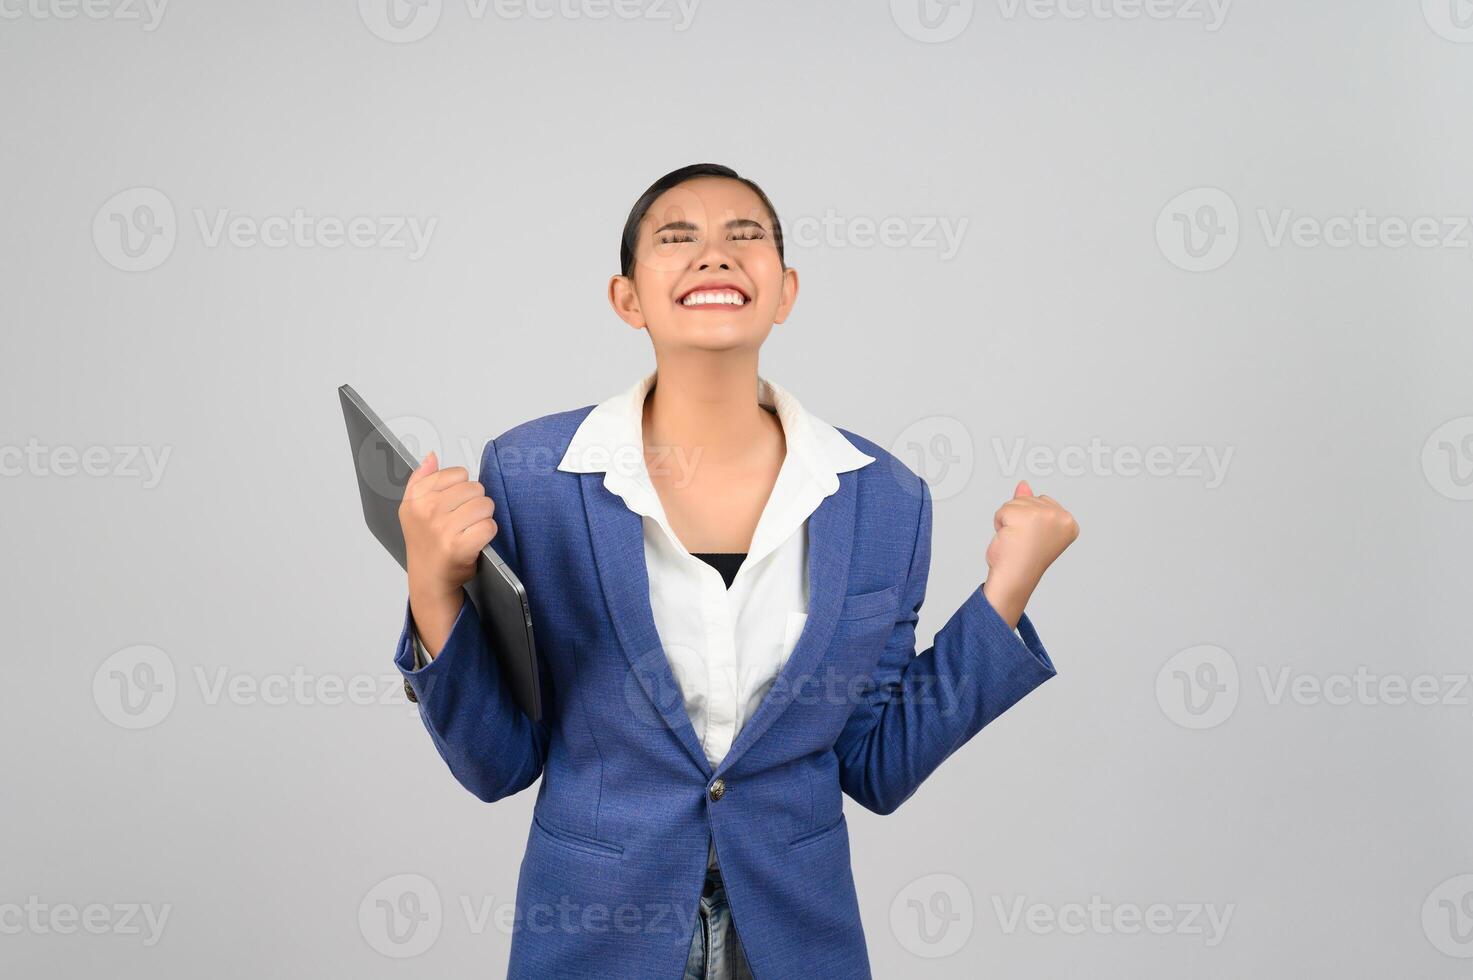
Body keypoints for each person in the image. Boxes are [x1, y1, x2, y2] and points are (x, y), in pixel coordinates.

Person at [394, 163, 1078, 979]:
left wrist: (1006, 592)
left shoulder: (884, 498)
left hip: (794, 933)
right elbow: (498, 762)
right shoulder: (530, 476)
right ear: (627, 299)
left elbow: (877, 764)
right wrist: (433, 585)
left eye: (743, 236)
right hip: (595, 934)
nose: (714, 254)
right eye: (677, 238)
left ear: (784, 291)